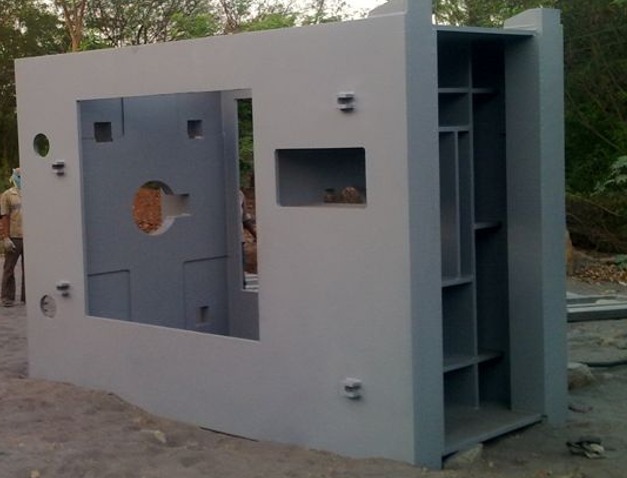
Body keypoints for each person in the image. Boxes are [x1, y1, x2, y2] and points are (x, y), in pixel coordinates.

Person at [1, 168, 24, 307]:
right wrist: (6, 237)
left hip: (30, 236)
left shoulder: (31, 192)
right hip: (14, 236)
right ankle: (7, 297)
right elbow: (5, 216)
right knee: (9, 268)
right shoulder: (8, 195)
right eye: (19, 176)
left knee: (30, 268)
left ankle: (27, 296)